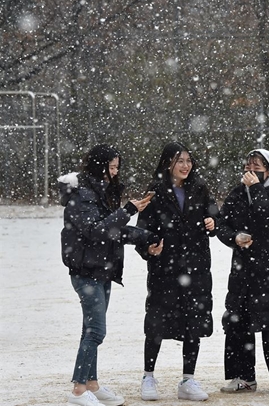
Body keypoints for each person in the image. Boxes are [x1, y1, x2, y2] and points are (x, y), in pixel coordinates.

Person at [59, 144, 157, 406]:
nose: (114, 173)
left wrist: (146, 238)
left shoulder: (104, 192)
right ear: (98, 166)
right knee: (96, 332)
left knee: (89, 329)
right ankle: (79, 390)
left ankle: (92, 383)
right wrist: (129, 210)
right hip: (86, 271)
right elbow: (96, 230)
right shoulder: (83, 193)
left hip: (103, 269)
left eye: (117, 168)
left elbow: (115, 231)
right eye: (111, 167)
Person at [135, 142, 219, 402]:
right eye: (179, 161)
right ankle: (148, 376)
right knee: (157, 323)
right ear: (167, 164)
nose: (185, 166)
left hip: (196, 268)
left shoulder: (200, 189)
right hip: (165, 269)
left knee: (193, 323)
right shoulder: (155, 192)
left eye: (188, 160)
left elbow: (217, 217)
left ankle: (188, 379)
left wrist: (213, 222)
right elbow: (142, 230)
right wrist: (149, 248)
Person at [217, 149, 269, 394]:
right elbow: (221, 223)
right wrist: (234, 237)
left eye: (258, 166)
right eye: (248, 165)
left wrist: (257, 189)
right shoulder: (237, 194)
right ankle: (243, 377)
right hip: (242, 270)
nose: (251, 170)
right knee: (237, 321)